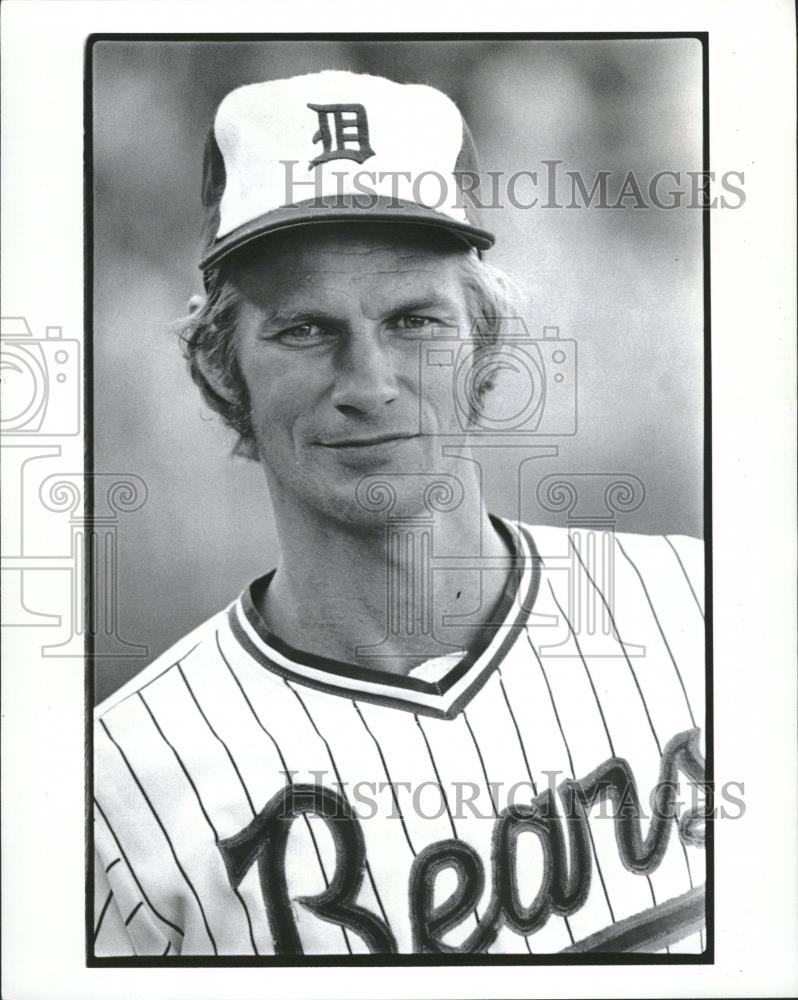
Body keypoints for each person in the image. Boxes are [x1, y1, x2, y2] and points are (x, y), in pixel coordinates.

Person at [93, 70, 706, 957]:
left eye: (416, 321)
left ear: (485, 341)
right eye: (305, 329)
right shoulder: (122, 792)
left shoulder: (707, 611)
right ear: (224, 366)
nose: (370, 385)